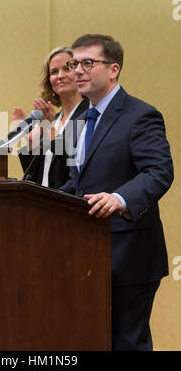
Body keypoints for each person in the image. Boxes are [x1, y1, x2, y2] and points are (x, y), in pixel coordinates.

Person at [60, 34, 174, 351]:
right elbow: (76, 184)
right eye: (73, 64)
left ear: (113, 70)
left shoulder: (140, 115)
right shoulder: (77, 121)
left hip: (130, 254)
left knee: (126, 344)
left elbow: (159, 172)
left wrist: (119, 198)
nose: (77, 71)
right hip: (85, 254)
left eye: (87, 63)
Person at [13, 46, 88, 188]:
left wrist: (50, 131)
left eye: (67, 69)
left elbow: (79, 167)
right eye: (54, 72)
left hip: (69, 204)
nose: (60, 76)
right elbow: (36, 176)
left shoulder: (91, 116)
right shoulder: (53, 119)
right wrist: (31, 143)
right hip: (43, 204)